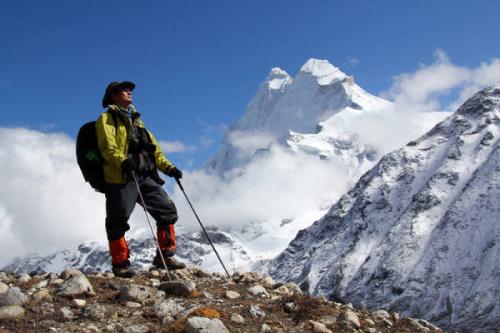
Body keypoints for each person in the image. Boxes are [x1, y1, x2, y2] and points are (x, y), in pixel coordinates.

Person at [96, 81, 186, 278]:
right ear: (113, 95)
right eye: (124, 90)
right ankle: (120, 263)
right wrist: (122, 161)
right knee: (117, 220)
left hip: (144, 176)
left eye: (130, 90)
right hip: (121, 177)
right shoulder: (107, 119)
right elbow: (107, 148)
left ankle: (165, 255)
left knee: (167, 211)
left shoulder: (137, 121)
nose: (129, 92)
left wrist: (169, 168)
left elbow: (154, 151)